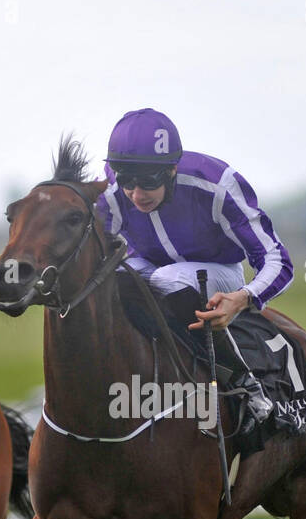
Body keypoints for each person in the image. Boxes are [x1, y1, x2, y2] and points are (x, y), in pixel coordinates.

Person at [94, 108, 294, 433]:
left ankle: (245, 383)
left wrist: (242, 298)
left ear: (172, 169)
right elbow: (96, 252)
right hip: (148, 264)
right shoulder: (113, 191)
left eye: (147, 181)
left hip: (219, 273)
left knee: (169, 279)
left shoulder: (217, 184)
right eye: (127, 180)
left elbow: (277, 260)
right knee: (111, 281)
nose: (136, 194)